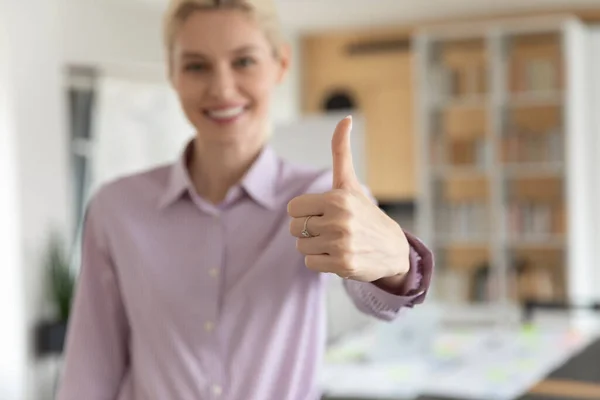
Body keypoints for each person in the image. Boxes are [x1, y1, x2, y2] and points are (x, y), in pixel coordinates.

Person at [56, 0, 434, 399]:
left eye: (244, 62)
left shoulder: (323, 197)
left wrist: (394, 261)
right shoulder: (117, 209)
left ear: (281, 64)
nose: (221, 88)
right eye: (197, 65)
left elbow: (379, 300)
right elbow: (91, 368)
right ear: (173, 73)